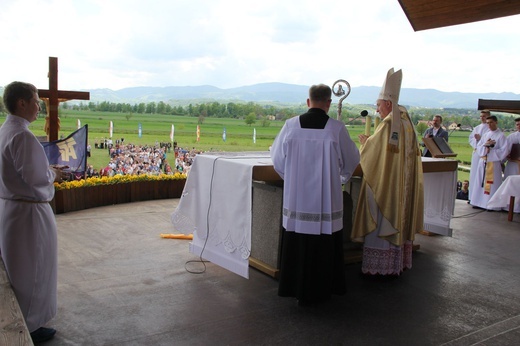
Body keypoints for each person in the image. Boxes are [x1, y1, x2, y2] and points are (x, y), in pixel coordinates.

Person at [270, 83, 360, 305]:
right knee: (324, 243)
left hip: (297, 199)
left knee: (298, 241)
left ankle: (295, 287)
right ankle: (325, 289)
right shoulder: (336, 129)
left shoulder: (290, 126)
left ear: (308, 101)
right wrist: (339, 178)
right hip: (326, 203)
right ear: (329, 103)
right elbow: (351, 160)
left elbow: (277, 161)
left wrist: (292, 179)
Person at [0, 81, 66, 343]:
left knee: (21, 267)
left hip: (11, 209)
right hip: (29, 215)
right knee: (35, 269)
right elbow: (35, 177)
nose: (40, 106)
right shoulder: (23, 136)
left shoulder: (6, 130)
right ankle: (32, 325)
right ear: (22, 103)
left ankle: (26, 319)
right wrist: (54, 174)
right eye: (36, 101)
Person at [352, 68, 424, 276]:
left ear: (388, 104)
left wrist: (365, 144)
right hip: (403, 185)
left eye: (378, 106)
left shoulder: (388, 125)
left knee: (382, 221)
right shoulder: (406, 122)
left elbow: (375, 154)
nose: (377, 110)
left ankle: (380, 268)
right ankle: (395, 264)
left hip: (388, 186)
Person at [469, 115, 508, 210]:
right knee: (480, 182)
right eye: (488, 123)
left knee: (491, 184)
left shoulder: (501, 136)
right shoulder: (486, 135)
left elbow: (504, 151)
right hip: (483, 162)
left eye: (491, 122)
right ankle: (479, 202)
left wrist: (490, 151)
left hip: (493, 163)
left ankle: (491, 204)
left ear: (496, 122)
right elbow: (479, 147)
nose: (489, 125)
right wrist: (485, 148)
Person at [468, 110, 491, 203]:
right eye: (481, 116)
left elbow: (490, 141)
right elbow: (471, 139)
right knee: (474, 175)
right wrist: (476, 142)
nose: (482, 118)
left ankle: (480, 198)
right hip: (476, 154)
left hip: (484, 156)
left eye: (484, 116)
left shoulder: (490, 129)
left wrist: (480, 139)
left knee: (481, 176)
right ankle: (472, 197)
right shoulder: (477, 128)